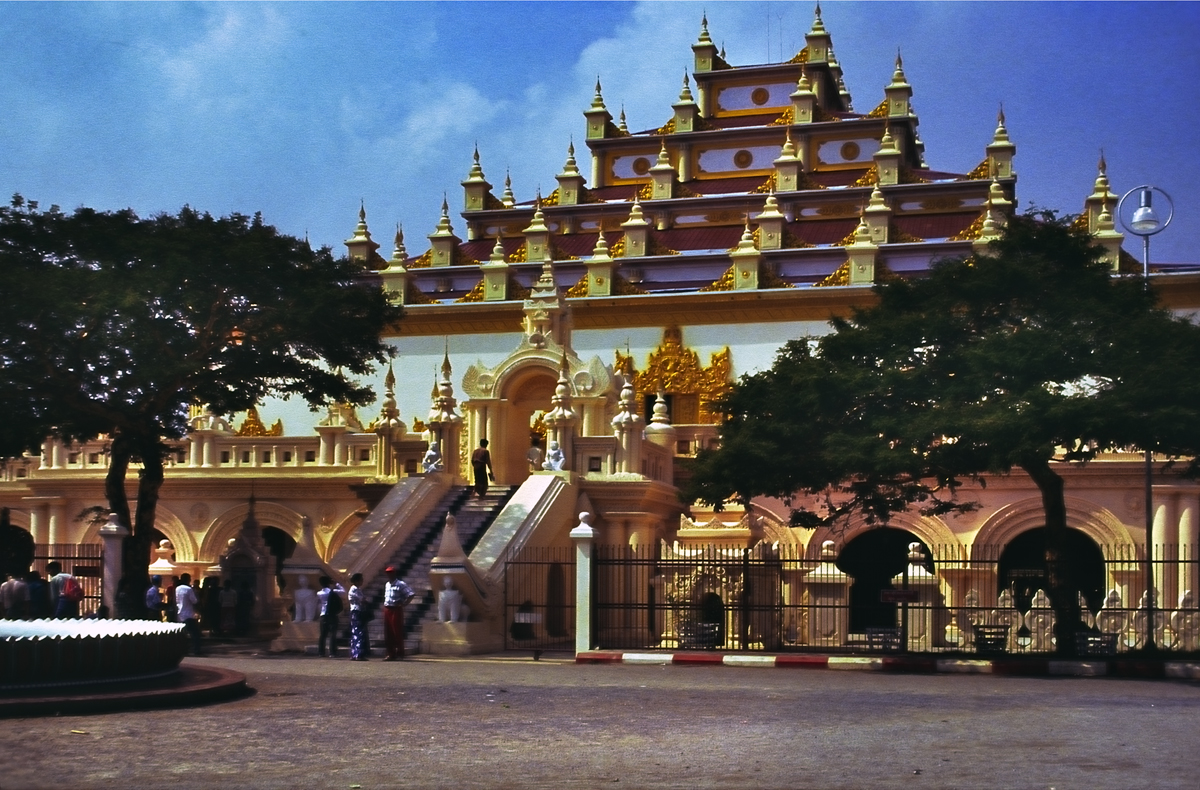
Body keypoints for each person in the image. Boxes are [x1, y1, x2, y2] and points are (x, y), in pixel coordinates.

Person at [381, 565, 413, 661]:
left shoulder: (400, 584)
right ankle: (390, 653)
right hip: (387, 608)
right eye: (388, 573)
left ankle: (400, 653)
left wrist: (404, 604)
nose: (389, 575)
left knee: (397, 631)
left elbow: (410, 594)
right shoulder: (387, 584)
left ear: (395, 573)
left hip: (396, 609)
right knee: (388, 632)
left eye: (391, 573)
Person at [316, 575, 345, 658]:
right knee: (332, 634)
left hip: (323, 615)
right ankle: (332, 652)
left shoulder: (319, 593)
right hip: (332, 614)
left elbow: (318, 605)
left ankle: (321, 652)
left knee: (323, 634)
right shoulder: (333, 592)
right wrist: (336, 584)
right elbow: (343, 592)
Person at [174, 573, 202, 655]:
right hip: (189, 614)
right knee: (195, 633)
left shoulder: (177, 589)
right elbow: (195, 601)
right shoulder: (189, 589)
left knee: (183, 633)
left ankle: (182, 650)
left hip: (180, 614)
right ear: (188, 580)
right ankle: (196, 650)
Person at [348, 572, 369, 661]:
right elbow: (362, 599)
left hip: (357, 611)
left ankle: (355, 653)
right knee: (359, 632)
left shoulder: (357, 589)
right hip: (357, 611)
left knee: (357, 632)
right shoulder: (354, 589)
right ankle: (358, 654)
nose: (362, 581)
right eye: (361, 579)